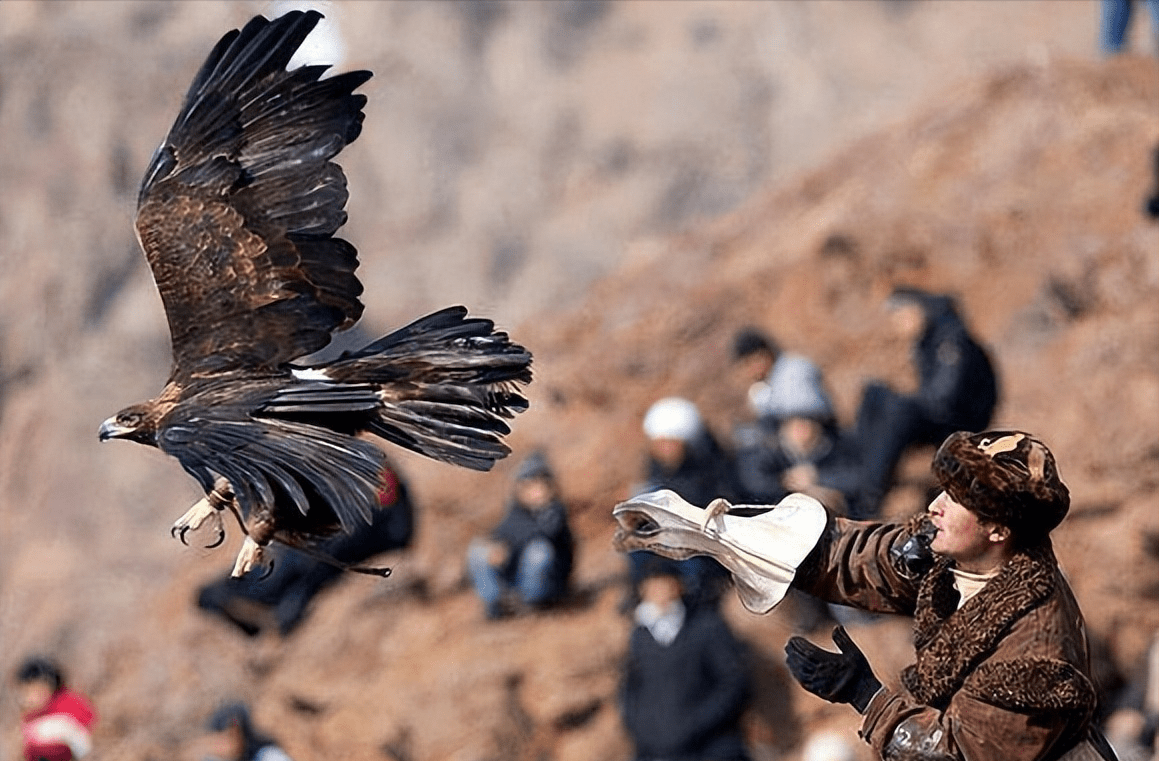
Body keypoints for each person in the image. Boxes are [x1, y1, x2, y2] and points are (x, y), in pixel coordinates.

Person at [779, 429, 1113, 760]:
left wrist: (866, 695)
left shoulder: (1035, 648)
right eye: (943, 490)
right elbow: (873, 559)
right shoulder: (959, 553)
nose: (935, 505)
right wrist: (780, 541)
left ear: (998, 529)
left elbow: (960, 755)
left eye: (956, 499)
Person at [197, 463, 415, 636]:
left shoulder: (362, 468)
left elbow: (384, 497)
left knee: (309, 555)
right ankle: (253, 596)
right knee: (296, 554)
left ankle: (263, 601)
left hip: (380, 527)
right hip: (362, 526)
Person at [853, 287, 998, 509]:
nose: (896, 325)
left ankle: (871, 493)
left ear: (917, 311)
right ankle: (864, 470)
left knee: (897, 411)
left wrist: (909, 404)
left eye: (900, 317)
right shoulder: (930, 339)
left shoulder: (950, 339)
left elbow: (944, 398)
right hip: (944, 413)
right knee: (875, 394)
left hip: (961, 419)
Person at [620, 557, 752, 761]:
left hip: (711, 748)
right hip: (656, 752)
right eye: (651, 585)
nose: (659, 591)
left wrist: (695, 724)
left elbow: (734, 684)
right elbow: (630, 689)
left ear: (679, 585)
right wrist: (644, 730)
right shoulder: (640, 636)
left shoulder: (707, 626)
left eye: (664, 582)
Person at [627, 397, 736, 609]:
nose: (664, 450)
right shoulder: (657, 467)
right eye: (660, 444)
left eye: (670, 443)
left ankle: (699, 593)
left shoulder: (711, 466)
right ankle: (641, 588)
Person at [733, 355, 871, 518]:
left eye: (809, 420)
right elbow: (753, 487)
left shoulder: (838, 447)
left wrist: (819, 478)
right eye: (794, 421)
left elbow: (861, 479)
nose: (802, 429)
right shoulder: (766, 453)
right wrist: (788, 484)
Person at [466, 451, 574, 619]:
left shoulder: (554, 511)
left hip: (552, 582)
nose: (535, 491)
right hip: (514, 576)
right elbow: (502, 533)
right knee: (479, 550)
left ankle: (534, 602)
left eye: (539, 484)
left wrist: (510, 547)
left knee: (539, 551)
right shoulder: (515, 512)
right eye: (529, 485)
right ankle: (496, 602)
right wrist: (495, 548)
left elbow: (546, 534)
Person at [14, 656, 96, 761]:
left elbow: (86, 730)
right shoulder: (33, 716)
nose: (31, 698)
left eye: (36, 690)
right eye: (27, 693)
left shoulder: (68, 704)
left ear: (50, 686)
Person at [201, 701, 292, 761]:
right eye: (220, 740)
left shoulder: (268, 755)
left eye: (232, 735)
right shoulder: (214, 758)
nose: (226, 745)